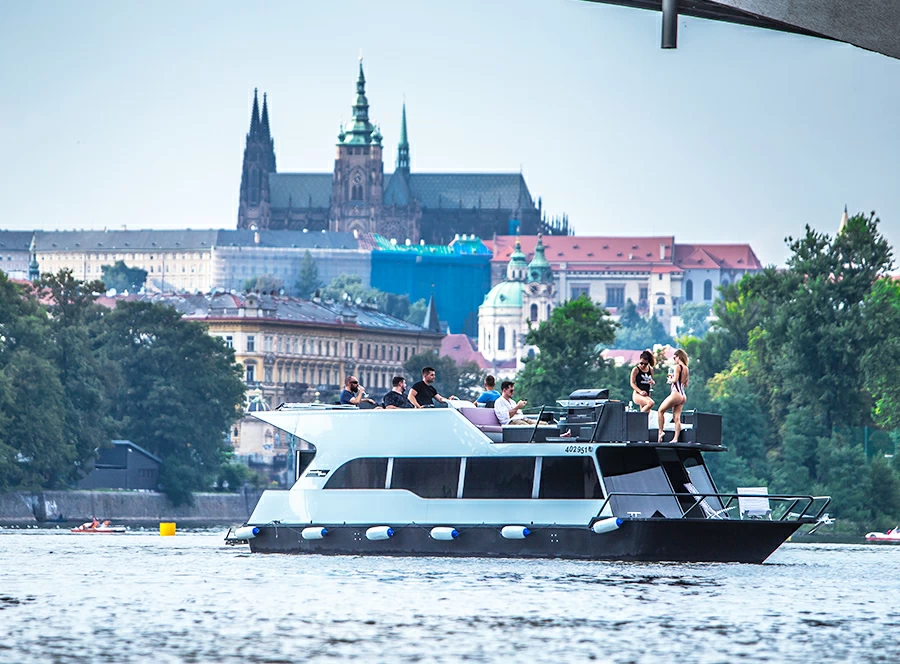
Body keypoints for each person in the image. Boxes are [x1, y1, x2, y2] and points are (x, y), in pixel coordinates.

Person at [657, 349, 689, 442]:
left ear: (678, 357)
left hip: (676, 393)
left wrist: (670, 379)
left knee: (660, 411)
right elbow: (686, 384)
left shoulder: (677, 367)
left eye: (674, 357)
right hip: (683, 395)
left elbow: (675, 380)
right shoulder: (686, 368)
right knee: (677, 418)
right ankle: (675, 438)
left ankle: (660, 431)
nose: (674, 359)